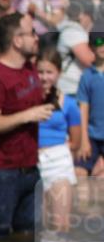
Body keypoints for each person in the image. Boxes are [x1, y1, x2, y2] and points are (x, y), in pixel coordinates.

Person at [0, 13, 54, 237]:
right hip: (1, 173)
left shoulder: (29, 68)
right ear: (17, 41)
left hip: (30, 168)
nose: (36, 38)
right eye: (31, 33)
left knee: (28, 238)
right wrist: (27, 115)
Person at [36, 49, 81, 231]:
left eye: (49, 72)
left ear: (59, 73)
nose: (44, 77)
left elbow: (76, 141)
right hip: (32, 161)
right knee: (40, 227)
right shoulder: (26, 100)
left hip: (58, 162)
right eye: (40, 72)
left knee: (60, 225)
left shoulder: (69, 104)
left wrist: (55, 153)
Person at [75, 30, 104, 176]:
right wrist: (84, 140)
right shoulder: (87, 76)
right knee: (79, 172)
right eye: (99, 43)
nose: (103, 46)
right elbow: (83, 108)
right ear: (91, 47)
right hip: (92, 135)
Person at [57, 1, 96, 97]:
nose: (92, 21)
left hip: (73, 87)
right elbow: (89, 60)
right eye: (91, 17)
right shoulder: (74, 32)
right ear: (83, 16)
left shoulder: (70, 30)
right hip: (71, 88)